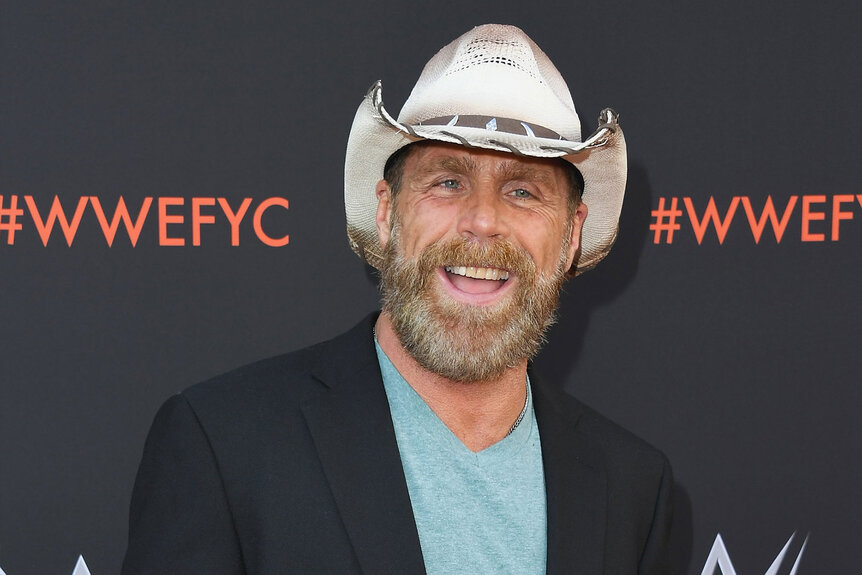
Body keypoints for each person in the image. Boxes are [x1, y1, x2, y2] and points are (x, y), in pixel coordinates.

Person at [122, 24, 673, 575]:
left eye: (523, 191)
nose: (483, 221)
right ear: (387, 213)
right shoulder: (222, 444)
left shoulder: (633, 487)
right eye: (448, 182)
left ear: (572, 235)